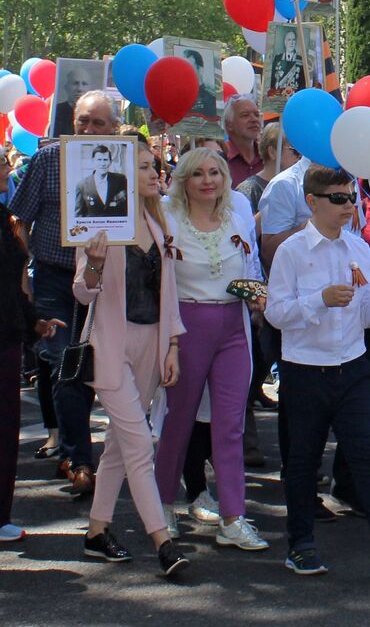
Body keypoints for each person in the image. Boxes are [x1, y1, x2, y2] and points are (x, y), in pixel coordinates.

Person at [266, 164, 370, 577]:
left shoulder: (358, 249)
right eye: (337, 199)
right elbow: (276, 313)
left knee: (363, 457)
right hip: (305, 370)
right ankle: (299, 545)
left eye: (350, 197)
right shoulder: (292, 251)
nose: (347, 206)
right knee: (302, 461)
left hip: (352, 365)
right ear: (312, 202)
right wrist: (319, 299)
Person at [74, 142, 189, 576]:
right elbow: (82, 291)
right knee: (140, 443)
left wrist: (173, 345)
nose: (154, 173)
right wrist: (96, 264)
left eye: (154, 166)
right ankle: (163, 541)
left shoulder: (157, 223)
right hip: (110, 346)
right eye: (143, 167)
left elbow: (170, 292)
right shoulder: (99, 223)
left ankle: (96, 531)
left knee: (120, 448)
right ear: (124, 174)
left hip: (151, 346)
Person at [153, 148, 268, 551]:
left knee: (231, 424)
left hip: (234, 326)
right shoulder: (168, 219)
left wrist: (259, 298)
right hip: (186, 325)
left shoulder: (238, 216)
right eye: (199, 173)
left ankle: (234, 517)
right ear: (184, 179)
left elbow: (250, 271)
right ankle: (162, 506)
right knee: (178, 420)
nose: (208, 180)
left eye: (216, 172)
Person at [11, 90, 121, 495]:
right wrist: (23, 277)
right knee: (65, 364)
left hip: (109, 282)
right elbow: (19, 219)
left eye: (98, 124)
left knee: (100, 370)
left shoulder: (125, 163)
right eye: (82, 122)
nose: (89, 130)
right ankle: (80, 460)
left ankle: (101, 455)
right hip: (56, 279)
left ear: (114, 128)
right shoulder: (47, 159)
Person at [0, 202, 63, 542]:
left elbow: (11, 287)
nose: (6, 169)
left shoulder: (3, 216)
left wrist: (33, 320)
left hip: (7, 336)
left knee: (6, 428)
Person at [237, 122, 297, 215]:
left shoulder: (298, 186)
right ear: (272, 152)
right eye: (294, 150)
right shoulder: (250, 189)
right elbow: (244, 227)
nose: (300, 156)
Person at [74, 144, 129, 218]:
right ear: (93, 161)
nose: (102, 164)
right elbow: (79, 215)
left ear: (110, 162)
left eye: (105, 160)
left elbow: (127, 208)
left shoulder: (120, 180)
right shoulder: (82, 185)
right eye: (99, 160)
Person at [223, 95, 264, 188]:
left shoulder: (270, 157)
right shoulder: (220, 160)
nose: (254, 119)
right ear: (229, 124)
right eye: (245, 115)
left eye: (256, 114)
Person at [51, 63, 100, 137]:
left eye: (84, 84)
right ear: (66, 87)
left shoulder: (99, 113)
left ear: (90, 88)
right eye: (75, 83)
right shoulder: (57, 111)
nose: (79, 89)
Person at [183, 50, 218, 120]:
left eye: (190, 69)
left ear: (201, 70)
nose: (185, 73)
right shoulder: (179, 96)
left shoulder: (211, 98)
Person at [270, 31, 306, 96]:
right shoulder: (277, 58)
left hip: (294, 97)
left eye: (293, 40)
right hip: (278, 98)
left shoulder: (301, 59)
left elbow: (303, 83)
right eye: (289, 40)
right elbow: (272, 79)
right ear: (285, 42)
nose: (291, 42)